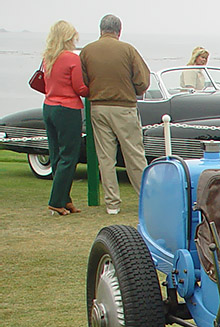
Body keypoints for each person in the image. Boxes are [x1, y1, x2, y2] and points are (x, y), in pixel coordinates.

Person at [79, 14, 150, 215]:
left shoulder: (87, 51)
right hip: (124, 106)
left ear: (101, 30)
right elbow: (142, 80)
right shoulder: (128, 49)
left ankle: (112, 204)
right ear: (119, 31)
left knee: (106, 157)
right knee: (134, 155)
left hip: (98, 107)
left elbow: (83, 80)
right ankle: (144, 197)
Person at [40, 20, 88, 216]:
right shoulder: (71, 59)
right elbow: (80, 88)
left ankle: (65, 198)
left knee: (57, 155)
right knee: (69, 156)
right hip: (67, 108)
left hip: (49, 106)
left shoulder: (48, 58)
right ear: (69, 38)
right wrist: (92, 89)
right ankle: (56, 200)